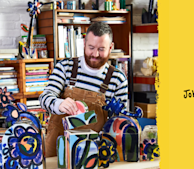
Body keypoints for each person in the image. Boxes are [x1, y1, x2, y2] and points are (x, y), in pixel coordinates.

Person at [39, 22, 128, 157]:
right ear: (84, 44)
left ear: (111, 47)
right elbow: (44, 98)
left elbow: (120, 122)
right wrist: (59, 104)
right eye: (91, 47)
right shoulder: (65, 67)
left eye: (101, 49)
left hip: (94, 151)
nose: (95, 54)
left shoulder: (117, 79)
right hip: (58, 149)